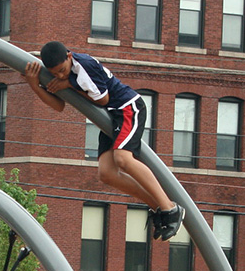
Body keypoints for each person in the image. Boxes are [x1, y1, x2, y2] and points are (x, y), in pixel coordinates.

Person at [22, 41, 183, 241]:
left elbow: (103, 100)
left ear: (69, 56)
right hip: (110, 118)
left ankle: (170, 209)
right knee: (107, 173)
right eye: (55, 74)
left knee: (123, 159)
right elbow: (58, 106)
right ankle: (158, 206)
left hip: (127, 108)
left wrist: (70, 83)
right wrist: (34, 85)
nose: (60, 75)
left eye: (62, 70)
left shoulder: (84, 66)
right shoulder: (64, 74)